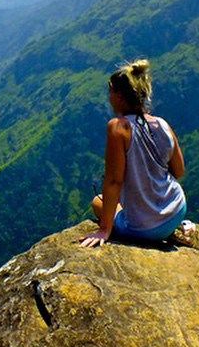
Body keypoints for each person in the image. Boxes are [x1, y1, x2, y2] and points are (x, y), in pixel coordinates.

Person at [80, 59, 190, 248]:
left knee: (98, 202)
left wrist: (104, 229)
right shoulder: (163, 125)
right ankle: (179, 228)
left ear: (120, 96)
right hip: (177, 209)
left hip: (144, 229)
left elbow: (114, 181)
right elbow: (179, 171)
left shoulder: (118, 127)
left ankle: (158, 231)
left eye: (111, 91)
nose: (109, 97)